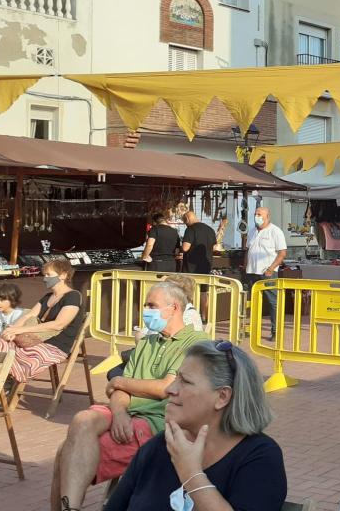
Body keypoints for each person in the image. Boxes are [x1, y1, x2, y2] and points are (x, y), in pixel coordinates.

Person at [52, 282, 210, 511]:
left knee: (63, 452)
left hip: (159, 424)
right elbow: (120, 391)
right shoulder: (147, 342)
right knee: (82, 419)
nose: (145, 311)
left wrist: (118, 381)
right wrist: (119, 412)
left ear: (174, 308)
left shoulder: (196, 341)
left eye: (151, 305)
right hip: (128, 415)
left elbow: (165, 387)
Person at [103, 340, 287, 511]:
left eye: (186, 381)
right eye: (176, 378)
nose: (170, 389)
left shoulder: (260, 457)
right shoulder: (159, 446)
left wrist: (191, 474)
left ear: (222, 396)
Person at [0, 260, 82, 382]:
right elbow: (27, 317)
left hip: (54, 346)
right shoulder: (47, 297)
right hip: (32, 340)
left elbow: (59, 324)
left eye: (49, 275)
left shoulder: (73, 296)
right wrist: (12, 331)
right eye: (44, 275)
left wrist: (23, 329)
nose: (45, 278)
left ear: (63, 275)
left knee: (5, 360)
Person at [245, 207, 287, 341]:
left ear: (267, 216)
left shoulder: (275, 232)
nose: (256, 216)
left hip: (267, 273)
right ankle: (253, 329)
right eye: (255, 214)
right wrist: (246, 266)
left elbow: (282, 253)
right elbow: (248, 250)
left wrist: (271, 269)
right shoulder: (252, 232)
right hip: (252, 272)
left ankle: (276, 331)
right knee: (255, 303)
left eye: (259, 214)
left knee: (273, 303)